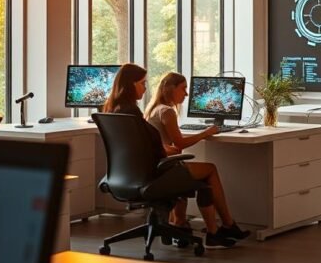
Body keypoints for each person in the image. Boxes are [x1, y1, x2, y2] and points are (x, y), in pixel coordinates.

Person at [101, 64, 238, 248]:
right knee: (209, 171)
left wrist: (162, 147)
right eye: (142, 83)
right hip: (152, 174)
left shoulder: (114, 110)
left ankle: (181, 225)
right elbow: (155, 146)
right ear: (130, 85)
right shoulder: (133, 113)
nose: (145, 88)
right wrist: (167, 150)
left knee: (194, 174)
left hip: (125, 177)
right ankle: (221, 229)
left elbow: (138, 145)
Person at [145, 73, 250, 241]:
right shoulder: (167, 112)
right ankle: (227, 225)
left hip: (154, 167)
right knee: (210, 170)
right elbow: (180, 144)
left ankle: (189, 225)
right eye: (183, 89)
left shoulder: (153, 109)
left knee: (203, 176)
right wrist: (206, 133)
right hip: (165, 169)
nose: (186, 94)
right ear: (171, 89)